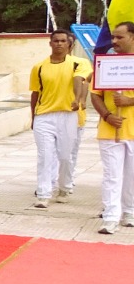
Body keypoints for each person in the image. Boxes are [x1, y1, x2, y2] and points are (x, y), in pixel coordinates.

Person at [29, 28, 90, 208]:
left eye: (63, 41)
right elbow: (35, 93)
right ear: (50, 43)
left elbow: (80, 80)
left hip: (68, 115)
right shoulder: (39, 67)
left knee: (65, 156)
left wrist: (78, 99)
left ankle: (64, 188)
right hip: (44, 116)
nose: (59, 44)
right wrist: (33, 117)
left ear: (69, 44)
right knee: (45, 155)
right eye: (56, 41)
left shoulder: (79, 63)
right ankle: (43, 194)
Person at [91, 21, 134, 234]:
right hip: (110, 130)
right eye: (113, 37)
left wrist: (130, 101)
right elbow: (95, 95)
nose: (114, 41)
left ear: (132, 37)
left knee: (131, 176)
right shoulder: (104, 64)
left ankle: (130, 212)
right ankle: (110, 217)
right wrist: (107, 116)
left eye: (119, 37)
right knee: (112, 175)